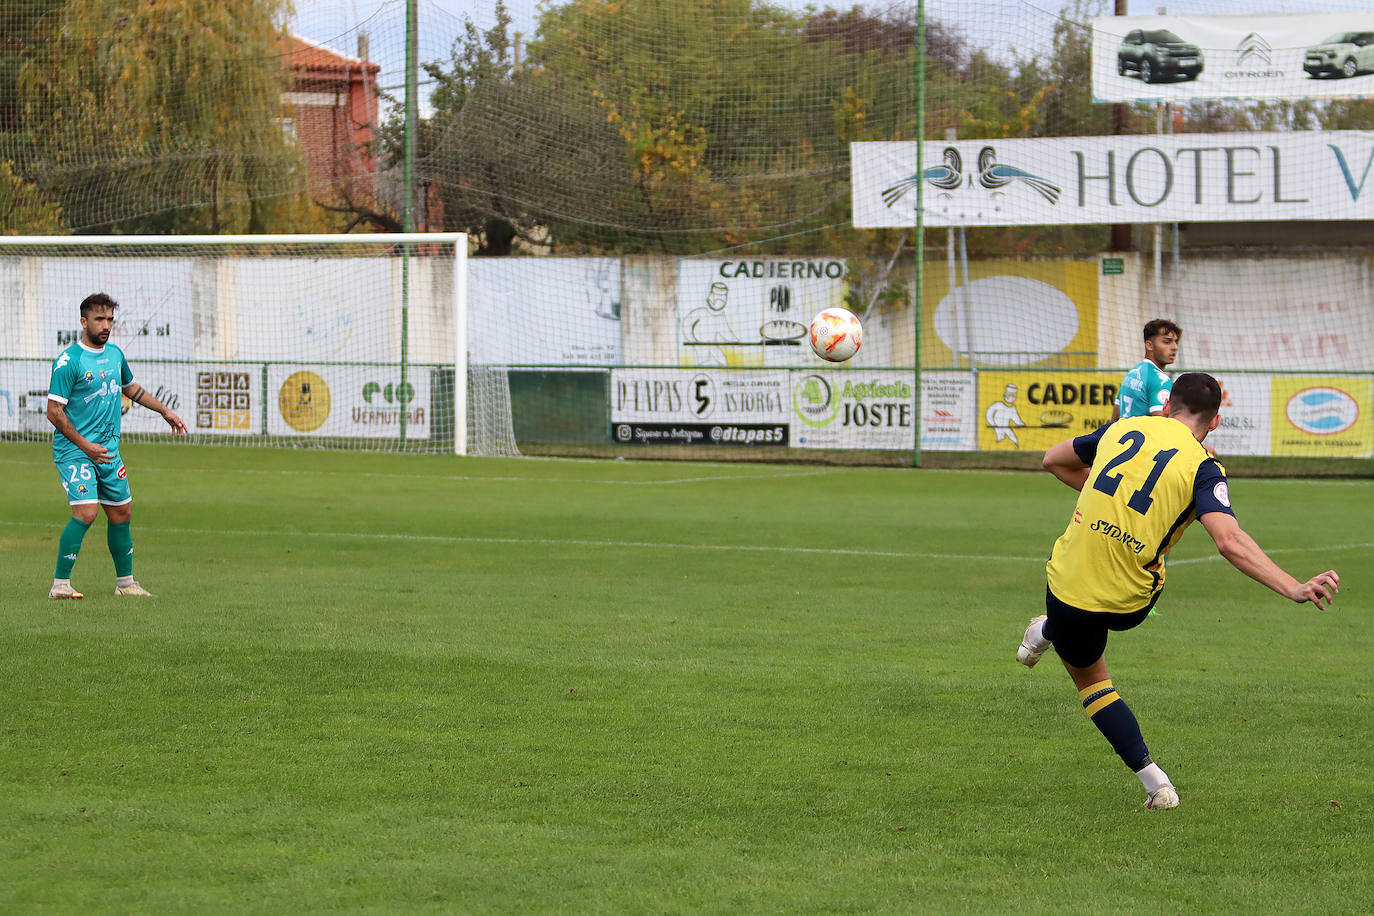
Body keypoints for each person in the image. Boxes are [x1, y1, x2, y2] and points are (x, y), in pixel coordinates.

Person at [1016, 372, 1339, 810]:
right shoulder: (1205, 466)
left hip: (1065, 579)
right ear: (1216, 421)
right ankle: (1046, 634)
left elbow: (1052, 459)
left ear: (1166, 406)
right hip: (1131, 599)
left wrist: (1100, 491)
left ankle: (1157, 784)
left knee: (1093, 683)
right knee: (1128, 588)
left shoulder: (1125, 428)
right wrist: (1294, 587)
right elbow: (1228, 540)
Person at [45, 292, 188, 599]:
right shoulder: (69, 361)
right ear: (84, 322)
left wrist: (165, 412)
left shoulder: (115, 355)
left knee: (121, 513)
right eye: (100, 319)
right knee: (86, 513)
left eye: (110, 319)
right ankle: (60, 585)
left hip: (108, 451)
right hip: (75, 451)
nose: (106, 325)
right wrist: (86, 446)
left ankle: (125, 584)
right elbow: (54, 411)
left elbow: (131, 388)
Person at [1112, 319, 1180, 422]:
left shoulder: (1132, 373)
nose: (1174, 347)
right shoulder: (1160, 380)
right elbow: (1161, 425)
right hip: (1144, 437)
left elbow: (1114, 419)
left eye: (1176, 342)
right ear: (1149, 345)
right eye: (1167, 342)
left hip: (1123, 436)